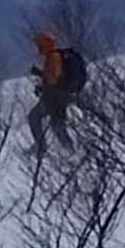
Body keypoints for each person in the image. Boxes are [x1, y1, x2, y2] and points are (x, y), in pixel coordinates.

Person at [28, 28, 89, 158]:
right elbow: (54, 76)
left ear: (46, 44)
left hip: (55, 97)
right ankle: (70, 150)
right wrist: (40, 74)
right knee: (56, 125)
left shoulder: (54, 57)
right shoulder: (54, 56)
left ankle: (45, 147)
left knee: (36, 118)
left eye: (40, 44)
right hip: (59, 96)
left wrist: (42, 86)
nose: (38, 47)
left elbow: (54, 79)